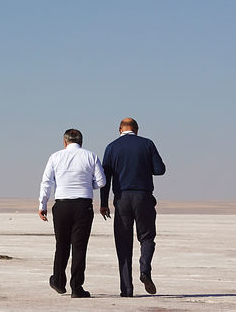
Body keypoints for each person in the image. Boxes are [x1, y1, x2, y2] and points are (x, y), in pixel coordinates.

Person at [100, 117, 166, 297]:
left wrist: (104, 203)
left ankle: (127, 289)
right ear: (136, 129)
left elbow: (105, 179)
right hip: (143, 197)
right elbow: (160, 169)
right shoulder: (147, 144)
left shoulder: (112, 147)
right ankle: (145, 269)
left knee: (123, 243)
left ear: (119, 129)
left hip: (121, 199)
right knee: (147, 237)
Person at [39, 128, 106, 298]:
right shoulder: (90, 156)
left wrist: (43, 204)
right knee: (79, 247)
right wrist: (87, 185)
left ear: (65, 141)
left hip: (62, 205)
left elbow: (46, 182)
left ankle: (58, 282)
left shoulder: (55, 157)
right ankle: (77, 287)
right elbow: (101, 181)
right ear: (81, 141)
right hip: (83, 206)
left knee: (61, 244)